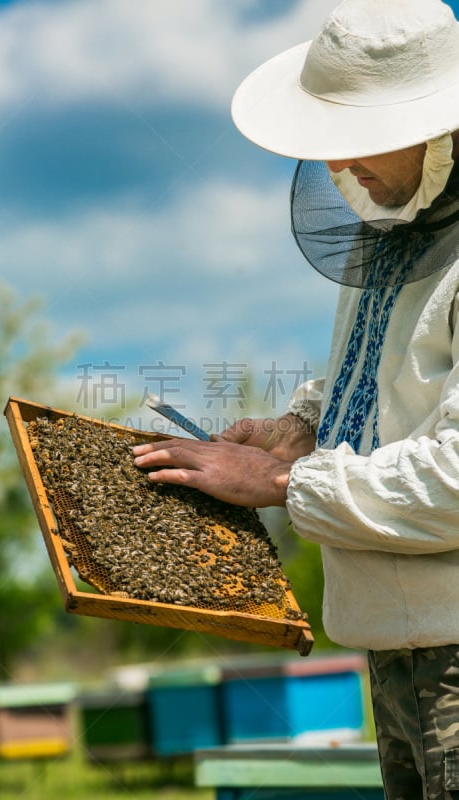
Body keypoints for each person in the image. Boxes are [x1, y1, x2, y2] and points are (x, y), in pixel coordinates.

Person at [133, 1, 459, 797]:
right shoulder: (400, 234)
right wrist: (298, 427)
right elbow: (383, 373)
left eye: (354, 141)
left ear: (435, 127)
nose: (337, 169)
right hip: (393, 646)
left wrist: (278, 484)